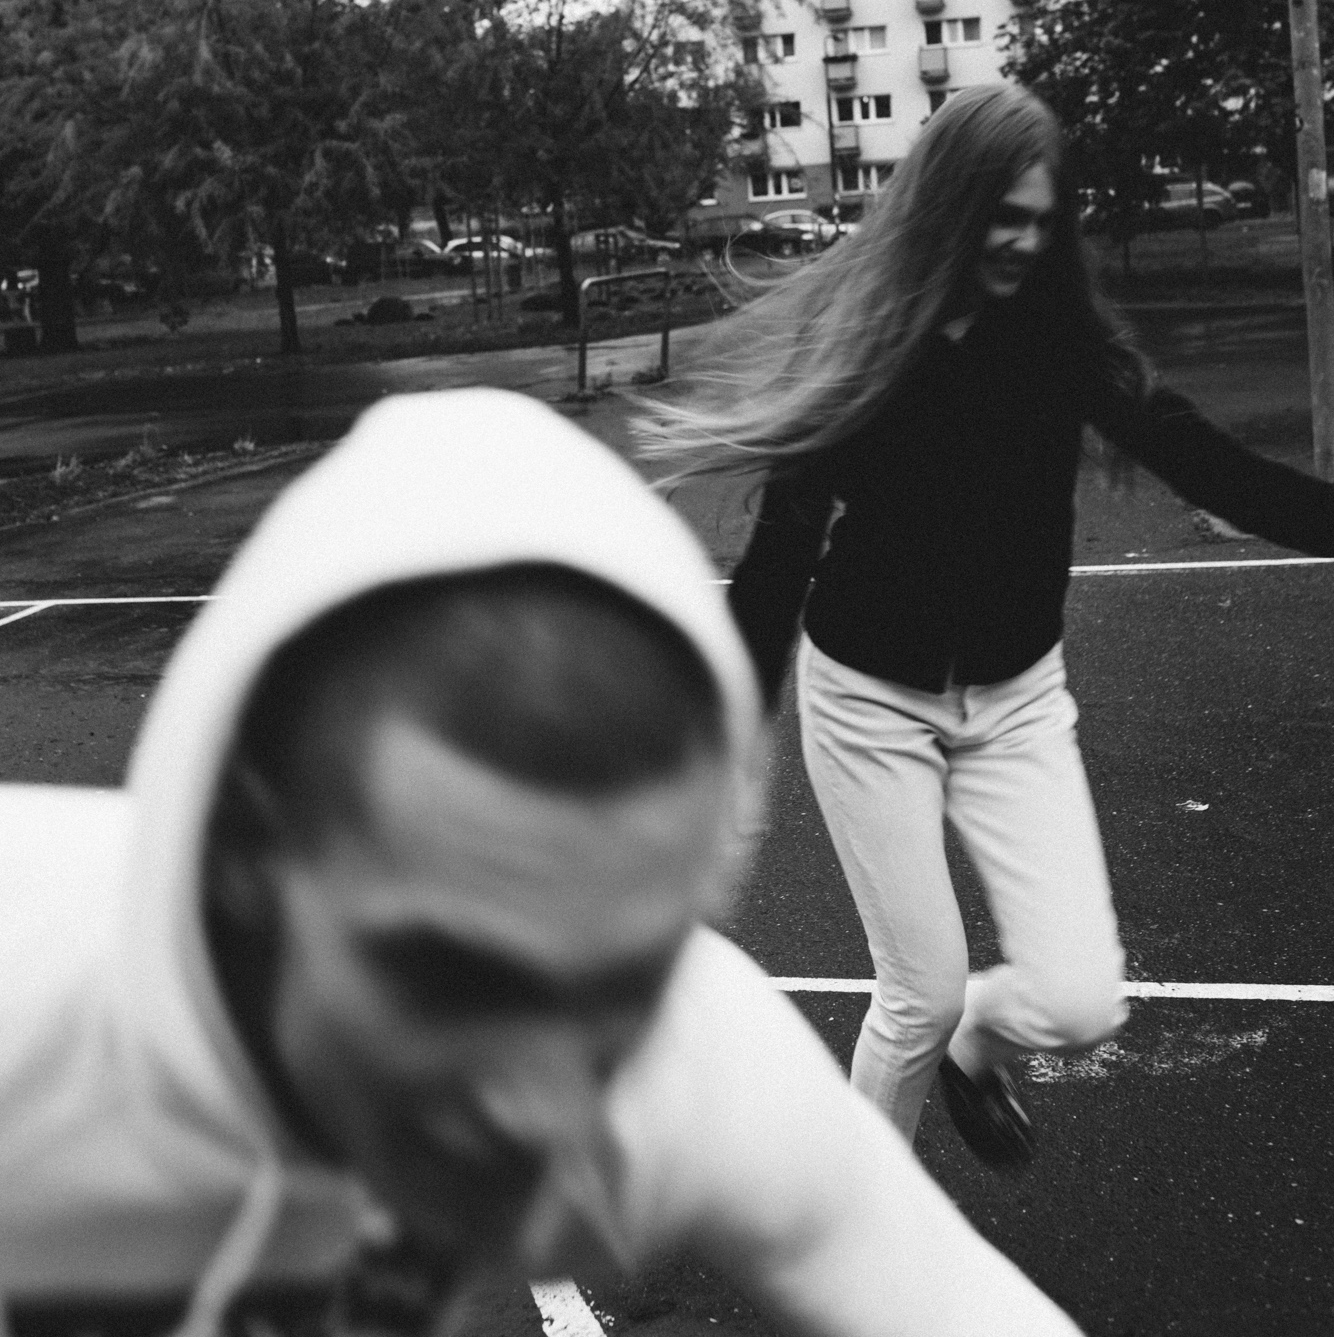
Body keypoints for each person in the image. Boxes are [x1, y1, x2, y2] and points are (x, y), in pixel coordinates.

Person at [0, 386, 1084, 1337]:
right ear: (240, 857)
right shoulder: (30, 1004)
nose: (544, 1111)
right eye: (449, 978)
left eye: (624, 981)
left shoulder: (676, 1057)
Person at [644, 84, 1334, 1168]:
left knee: (1079, 1004)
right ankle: (865, 1218)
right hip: (869, 702)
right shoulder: (866, 340)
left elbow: (1214, 469)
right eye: (1002, 217)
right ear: (950, 207)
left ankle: (981, 1043)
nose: (1022, 240)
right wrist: (721, 735)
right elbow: (781, 554)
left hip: (1015, 700)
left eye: (1040, 220)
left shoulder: (1059, 340)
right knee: (916, 993)